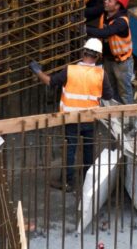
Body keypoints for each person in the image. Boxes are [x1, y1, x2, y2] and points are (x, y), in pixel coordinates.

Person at [30, 38, 114, 192]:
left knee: (70, 149)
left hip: (71, 119)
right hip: (90, 119)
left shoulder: (70, 70)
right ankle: (89, 181)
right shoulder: (101, 74)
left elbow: (49, 81)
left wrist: (37, 71)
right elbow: (108, 96)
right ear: (98, 57)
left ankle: (68, 182)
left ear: (83, 52)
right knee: (89, 148)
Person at [85, 0, 134, 104]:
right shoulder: (106, 11)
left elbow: (104, 33)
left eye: (110, 1)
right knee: (110, 90)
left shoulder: (121, 22)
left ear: (117, 6)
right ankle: (115, 119)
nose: (106, 2)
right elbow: (89, 12)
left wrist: (83, 29)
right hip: (108, 60)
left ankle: (130, 121)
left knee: (125, 93)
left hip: (122, 63)